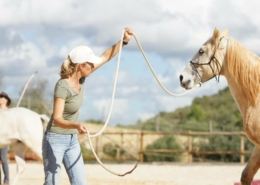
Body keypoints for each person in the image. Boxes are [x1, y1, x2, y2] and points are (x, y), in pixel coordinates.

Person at [42, 27, 133, 185]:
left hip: (72, 140)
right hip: (55, 140)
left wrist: (124, 41)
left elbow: (105, 57)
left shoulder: (82, 78)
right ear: (80, 66)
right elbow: (56, 119)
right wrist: (76, 124)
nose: (93, 66)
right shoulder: (62, 86)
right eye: (90, 64)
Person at [0, 92, 11, 185]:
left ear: (6, 100)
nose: (0, 98)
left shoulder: (9, 112)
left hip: (5, 139)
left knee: (3, 159)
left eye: (2, 97)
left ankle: (6, 180)